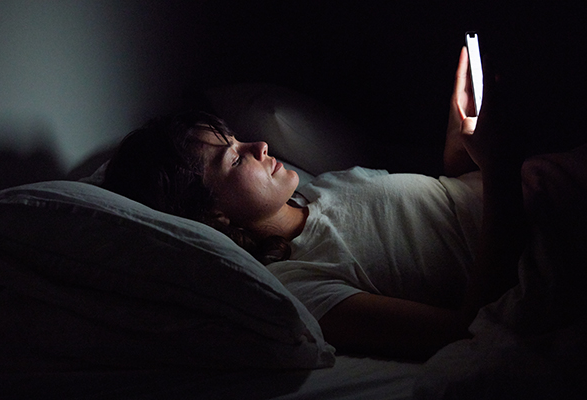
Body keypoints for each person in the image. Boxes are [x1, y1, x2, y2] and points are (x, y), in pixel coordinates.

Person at [102, 47, 529, 360]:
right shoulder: (300, 285)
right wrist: (500, 167)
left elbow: (445, 201)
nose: (260, 144)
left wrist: (463, 136)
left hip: (526, 188)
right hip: (538, 240)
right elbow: (466, 329)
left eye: (237, 140)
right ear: (212, 213)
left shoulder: (322, 189)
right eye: (233, 158)